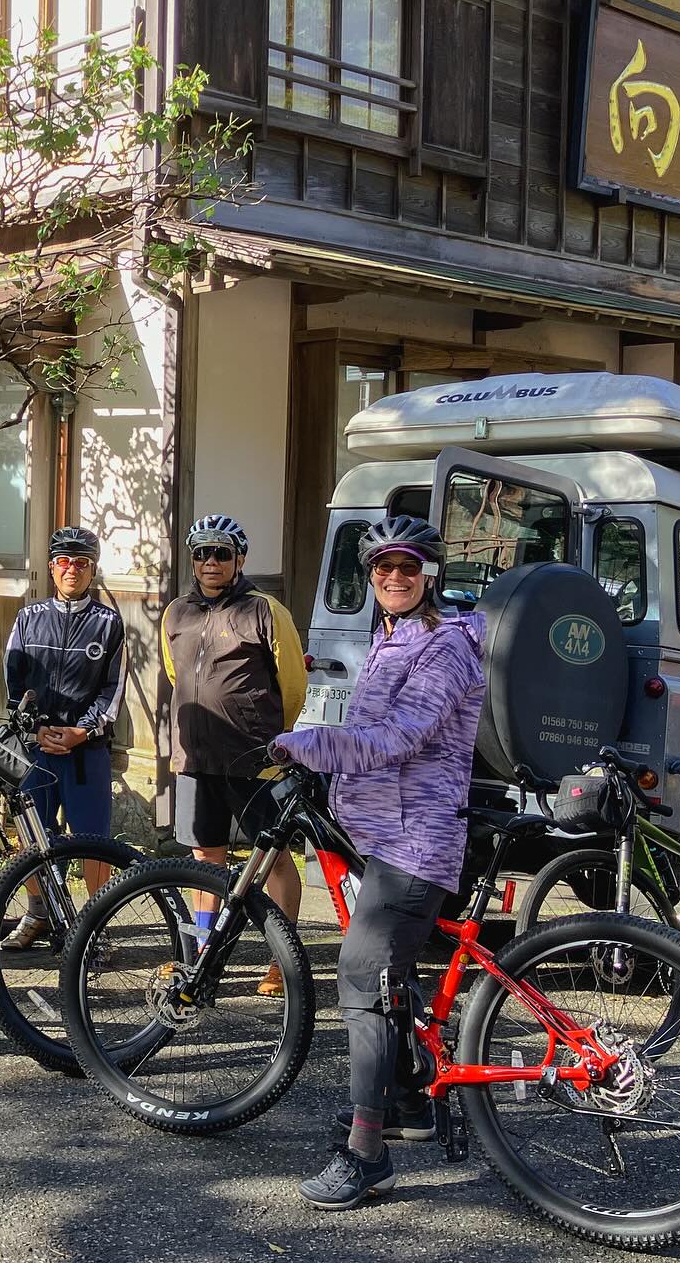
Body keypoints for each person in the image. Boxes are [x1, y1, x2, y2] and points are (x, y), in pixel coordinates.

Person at [269, 516, 485, 1211]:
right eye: (382, 568)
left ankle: (366, 1157)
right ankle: (408, 1102)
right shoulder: (393, 637)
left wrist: (306, 746)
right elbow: (369, 732)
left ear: (430, 575)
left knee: (361, 976)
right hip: (387, 836)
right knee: (392, 980)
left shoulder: (445, 647)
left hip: (417, 843)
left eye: (407, 567)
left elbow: (396, 739)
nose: (393, 577)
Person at [161, 513, 307, 997]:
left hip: (255, 759)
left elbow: (292, 684)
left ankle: (280, 959)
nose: (210, 562)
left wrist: (271, 734)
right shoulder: (177, 612)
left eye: (221, 553)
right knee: (206, 856)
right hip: (196, 757)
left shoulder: (264, 609)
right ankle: (205, 950)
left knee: (276, 857)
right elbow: (173, 673)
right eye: (201, 553)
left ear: (239, 558)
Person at [1, 524, 127, 948]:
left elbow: (113, 690)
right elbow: (13, 682)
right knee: (34, 837)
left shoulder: (109, 623)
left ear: (93, 570)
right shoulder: (28, 617)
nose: (72, 570)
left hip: (85, 750)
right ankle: (38, 915)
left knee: (93, 842)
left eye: (82, 563)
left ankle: (95, 927)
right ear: (52, 569)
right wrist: (34, 728)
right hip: (36, 747)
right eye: (64, 562)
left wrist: (81, 731)